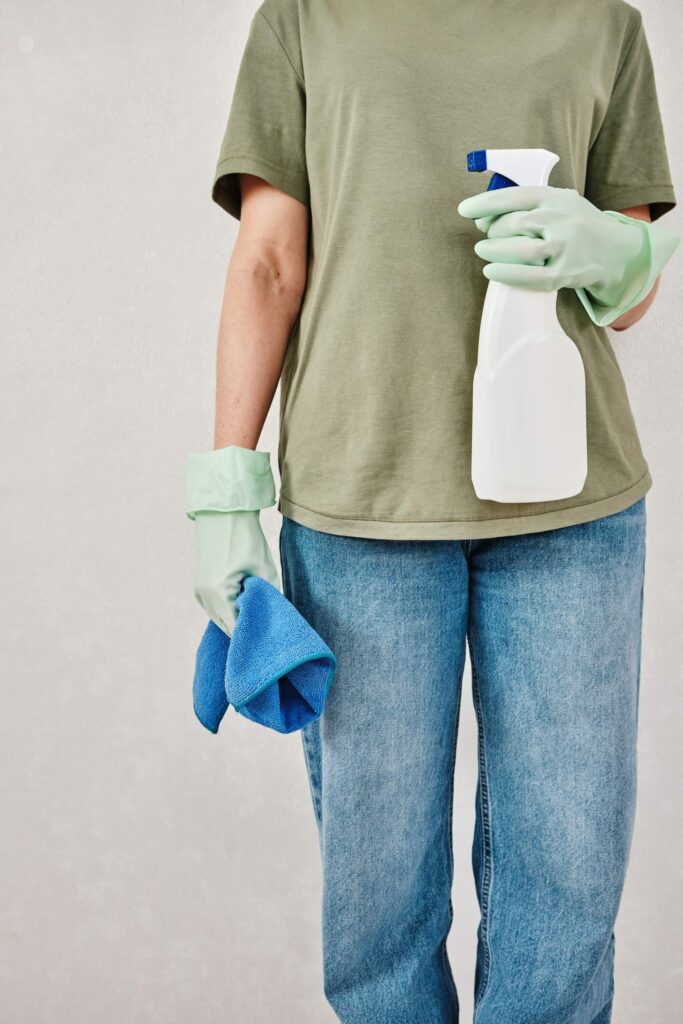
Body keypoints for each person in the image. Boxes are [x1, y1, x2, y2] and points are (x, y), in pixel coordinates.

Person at [186, 1, 679, 1020]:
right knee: (376, 896)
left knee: (569, 875)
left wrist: (612, 251)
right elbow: (271, 259)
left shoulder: (601, 21)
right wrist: (227, 488)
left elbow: (626, 290)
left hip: (570, 506)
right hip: (360, 499)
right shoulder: (306, 18)